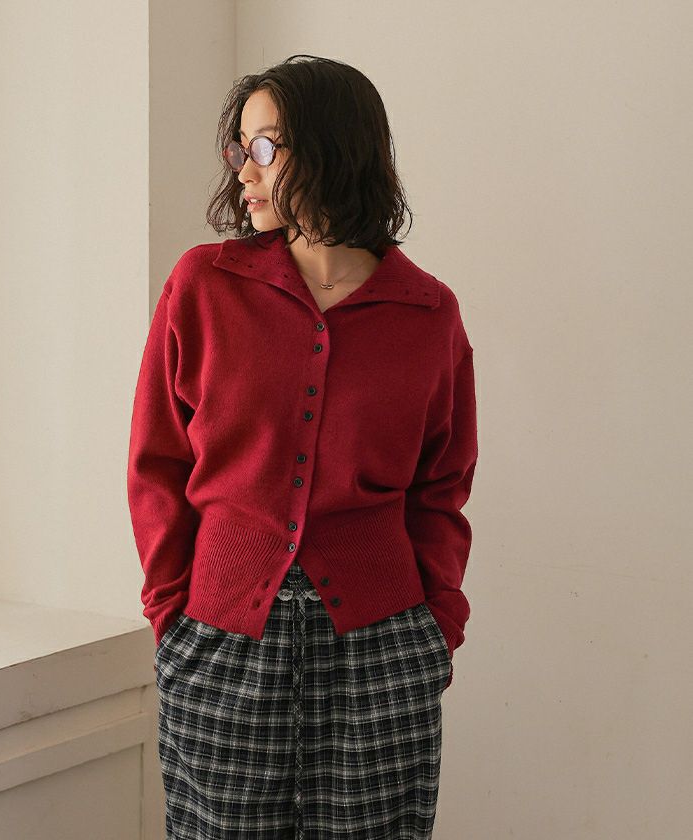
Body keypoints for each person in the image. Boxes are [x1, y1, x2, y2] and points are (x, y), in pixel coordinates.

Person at [127, 53, 478, 840]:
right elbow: (158, 462)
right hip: (220, 641)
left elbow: (441, 487)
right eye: (240, 147)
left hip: (381, 649)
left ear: (330, 150)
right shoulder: (204, 286)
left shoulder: (427, 313)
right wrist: (173, 616)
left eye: (265, 146)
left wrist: (436, 632)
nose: (243, 170)